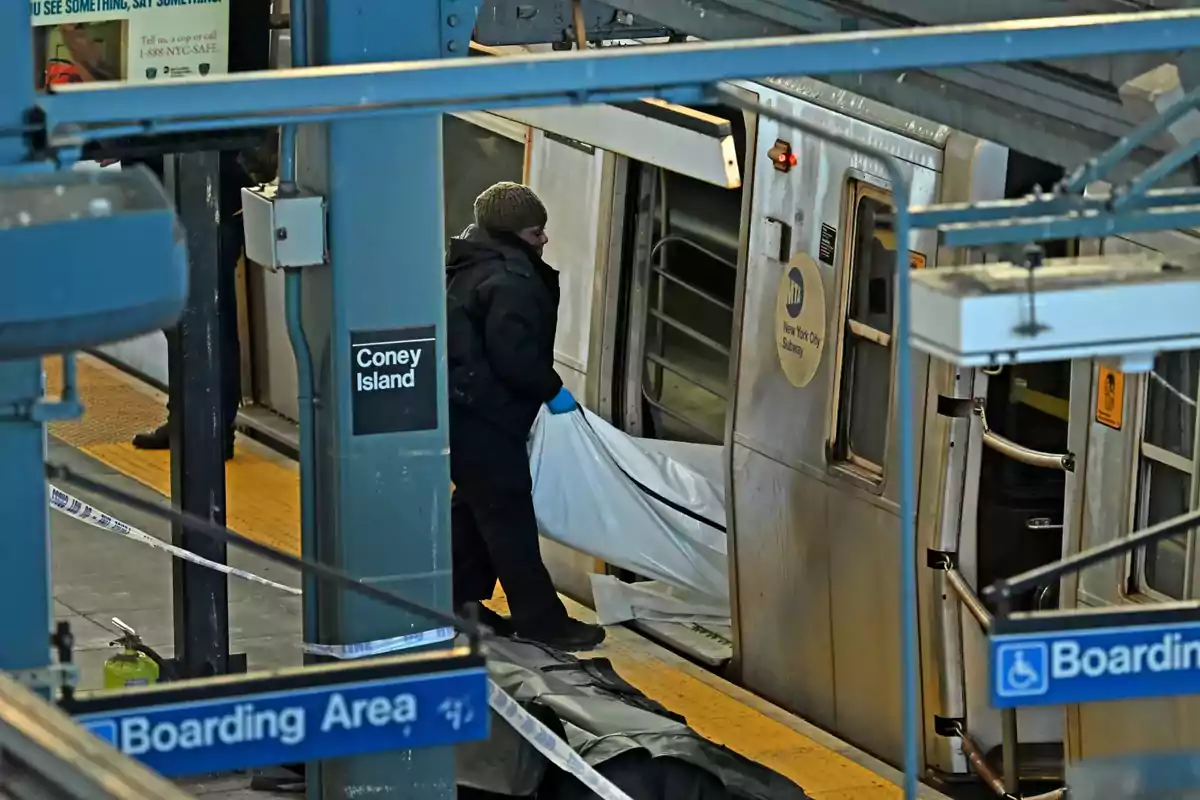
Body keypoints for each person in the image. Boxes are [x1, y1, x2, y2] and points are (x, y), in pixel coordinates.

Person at [445, 182, 606, 651]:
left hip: (464, 410)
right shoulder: (510, 281)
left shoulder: (471, 262)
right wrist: (553, 391)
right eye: (537, 233)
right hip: (486, 417)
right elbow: (514, 357)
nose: (544, 241)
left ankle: (455, 600)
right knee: (508, 517)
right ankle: (543, 622)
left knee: (477, 508)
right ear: (514, 234)